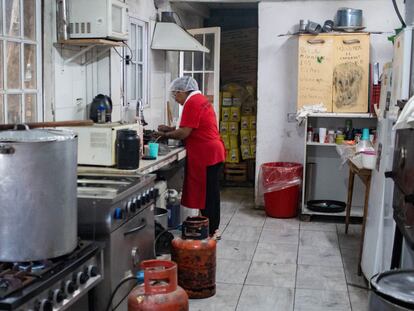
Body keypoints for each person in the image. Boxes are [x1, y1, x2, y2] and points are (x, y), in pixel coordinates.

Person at [157, 76, 225, 238]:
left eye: (176, 95)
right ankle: (211, 228)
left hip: (207, 155)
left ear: (182, 91)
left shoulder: (192, 103)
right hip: (212, 153)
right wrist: (169, 128)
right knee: (210, 194)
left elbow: (184, 133)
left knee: (209, 196)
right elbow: (191, 126)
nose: (176, 99)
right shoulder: (199, 100)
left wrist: (164, 134)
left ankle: (212, 231)